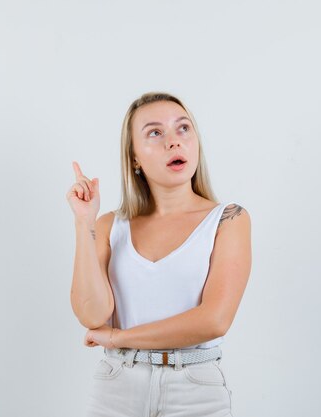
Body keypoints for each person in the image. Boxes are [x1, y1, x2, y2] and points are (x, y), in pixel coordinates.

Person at [66, 91, 252, 417]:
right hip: (117, 387)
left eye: (183, 128)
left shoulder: (228, 219)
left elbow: (214, 320)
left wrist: (117, 337)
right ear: (135, 157)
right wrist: (85, 222)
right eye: (155, 132)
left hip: (196, 390)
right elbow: (92, 314)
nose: (174, 142)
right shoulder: (111, 225)